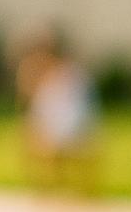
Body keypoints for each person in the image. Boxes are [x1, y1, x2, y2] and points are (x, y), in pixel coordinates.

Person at [14, 28, 99, 188]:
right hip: (56, 125)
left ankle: (62, 187)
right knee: (37, 139)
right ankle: (52, 188)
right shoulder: (42, 74)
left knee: (62, 145)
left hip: (70, 125)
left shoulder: (69, 73)